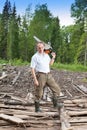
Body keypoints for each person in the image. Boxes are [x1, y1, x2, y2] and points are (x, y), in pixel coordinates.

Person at [30, 42, 62, 112]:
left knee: (57, 89)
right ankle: (37, 109)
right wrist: (35, 80)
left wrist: (53, 57)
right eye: (39, 47)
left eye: (42, 47)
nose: (40, 49)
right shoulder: (35, 57)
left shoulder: (46, 55)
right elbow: (32, 69)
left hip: (48, 75)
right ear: (37, 48)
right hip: (40, 75)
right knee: (39, 92)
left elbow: (50, 64)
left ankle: (55, 105)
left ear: (44, 48)